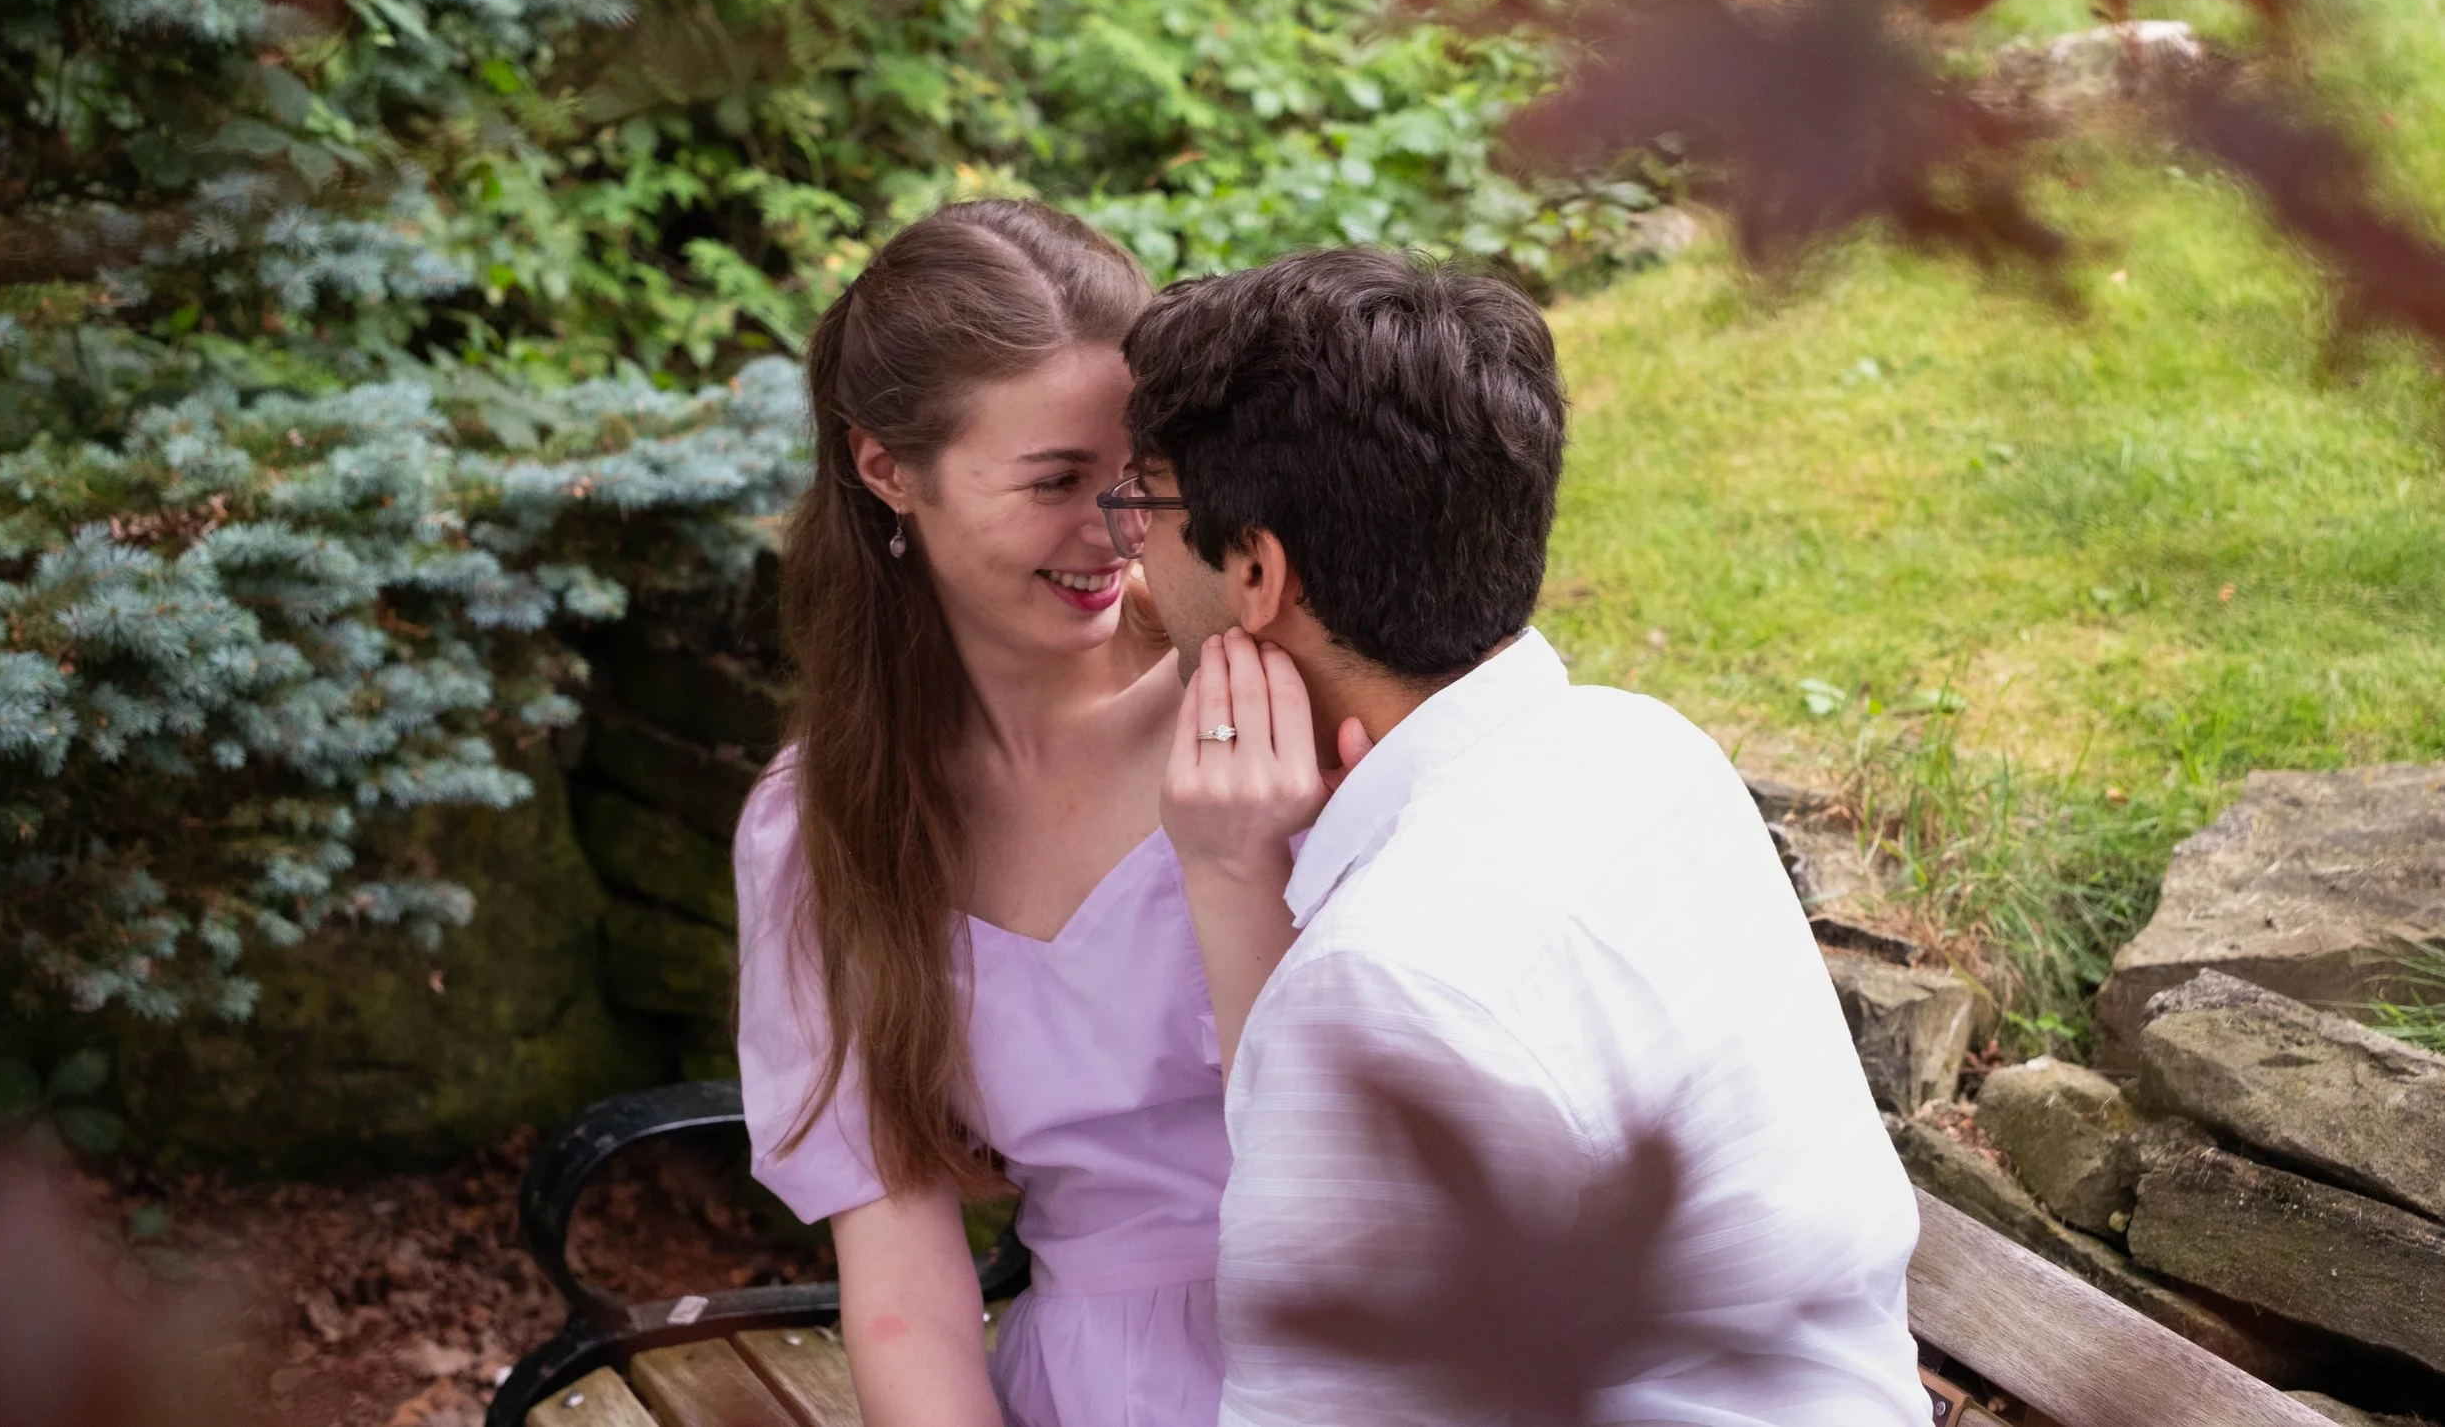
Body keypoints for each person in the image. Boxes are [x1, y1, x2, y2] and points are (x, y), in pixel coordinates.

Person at [1110, 248, 1932, 1425]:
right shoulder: (1647, 752)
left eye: (1145, 501)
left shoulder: (1385, 976)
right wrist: (1234, 866)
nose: (1129, 556)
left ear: (1255, 568)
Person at [732, 201, 1287, 1427]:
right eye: (1055, 481)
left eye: (1136, 475)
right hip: (1090, 1381)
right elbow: (904, 1287)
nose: (1117, 533)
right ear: (888, 470)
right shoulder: (823, 828)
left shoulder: (1257, 692)